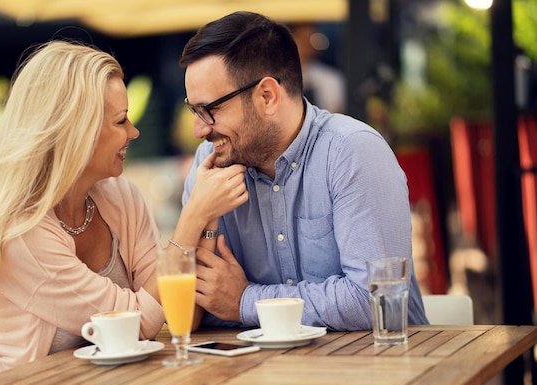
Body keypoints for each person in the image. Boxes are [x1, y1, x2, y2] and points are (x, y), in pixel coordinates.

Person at [0, 40, 247, 385]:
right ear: (75, 132)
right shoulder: (22, 233)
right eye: (120, 121)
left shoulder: (120, 197)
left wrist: (209, 219)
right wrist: (193, 215)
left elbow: (181, 315)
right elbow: (137, 324)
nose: (133, 132)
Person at [179, 11, 428, 331]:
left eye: (209, 110)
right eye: (192, 109)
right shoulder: (210, 163)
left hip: (389, 369)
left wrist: (247, 302)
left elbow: (373, 301)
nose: (198, 129)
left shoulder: (352, 151)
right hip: (264, 374)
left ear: (266, 96)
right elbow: (196, 311)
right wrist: (200, 216)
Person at [290, 23, 346, 113]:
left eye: (312, 39)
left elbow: (335, 110)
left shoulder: (330, 77)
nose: (307, 44)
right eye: (303, 39)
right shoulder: (277, 74)